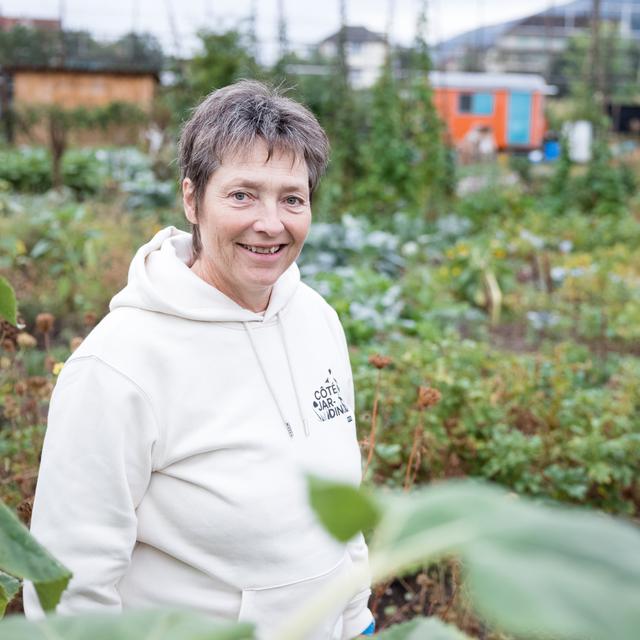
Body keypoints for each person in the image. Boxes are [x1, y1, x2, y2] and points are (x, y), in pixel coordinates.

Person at [23, 81, 374, 639]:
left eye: (292, 197)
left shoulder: (316, 319)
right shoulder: (119, 364)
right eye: (242, 195)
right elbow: (70, 581)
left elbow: (340, 504)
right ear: (192, 199)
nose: (271, 222)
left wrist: (358, 620)